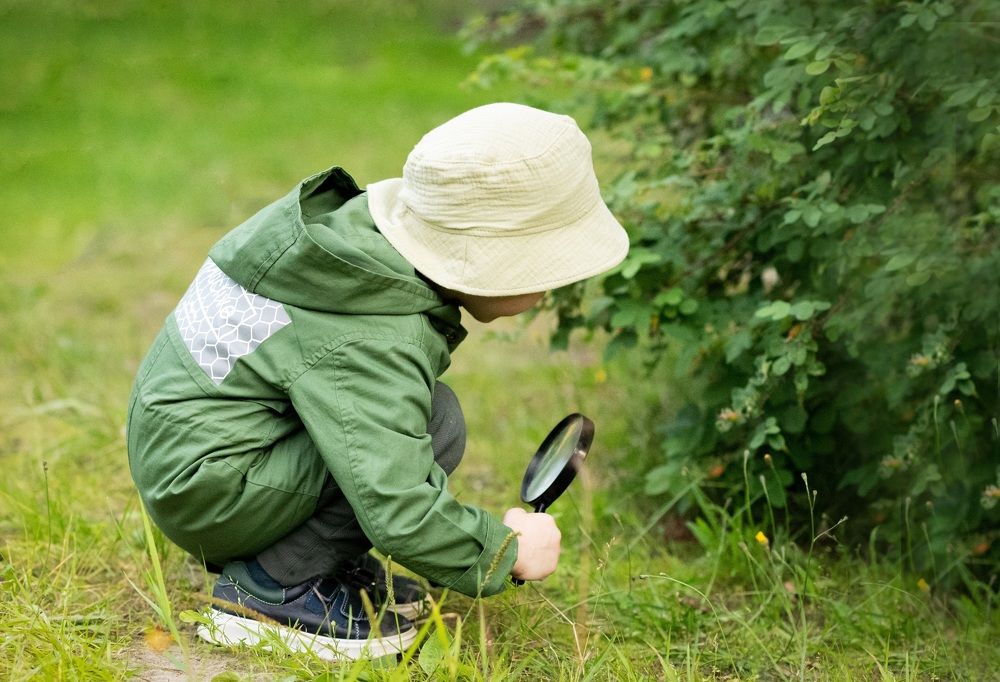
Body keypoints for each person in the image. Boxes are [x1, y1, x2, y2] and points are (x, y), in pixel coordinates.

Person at [126, 102, 629, 660]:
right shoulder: (371, 333)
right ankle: (270, 590)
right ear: (489, 257)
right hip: (208, 491)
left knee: (409, 415)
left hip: (190, 455)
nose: (552, 287)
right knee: (435, 422)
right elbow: (396, 500)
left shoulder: (351, 247)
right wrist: (505, 552)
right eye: (545, 266)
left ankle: (316, 557)